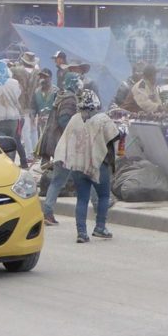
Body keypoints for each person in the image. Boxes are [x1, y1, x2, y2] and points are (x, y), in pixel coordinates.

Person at [54, 90, 120, 243]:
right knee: (103, 196)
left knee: (82, 199)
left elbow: (66, 141)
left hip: (78, 165)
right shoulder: (102, 119)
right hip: (99, 165)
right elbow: (115, 136)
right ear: (96, 105)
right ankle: (100, 227)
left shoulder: (74, 119)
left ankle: (81, 233)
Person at [38, 71, 82, 226]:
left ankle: (48, 212)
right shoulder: (70, 99)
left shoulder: (61, 95)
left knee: (61, 180)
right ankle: (48, 212)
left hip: (59, 144)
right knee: (62, 179)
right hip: (64, 146)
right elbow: (64, 120)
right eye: (78, 81)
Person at [0, 60, 28, 169]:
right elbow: (18, 97)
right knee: (10, 144)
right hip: (13, 119)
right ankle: (10, 166)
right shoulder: (14, 83)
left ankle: (0, 168)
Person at [11, 51, 40, 163]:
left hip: (22, 105)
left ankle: (29, 155)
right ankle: (35, 153)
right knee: (34, 130)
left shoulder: (16, 71)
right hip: (34, 104)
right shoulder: (38, 73)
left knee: (25, 131)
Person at [31, 68, 58, 143]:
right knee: (41, 145)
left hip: (53, 125)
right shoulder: (36, 92)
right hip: (40, 125)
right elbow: (33, 107)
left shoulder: (56, 92)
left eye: (45, 77)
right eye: (41, 77)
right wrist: (33, 117)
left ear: (51, 78)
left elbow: (59, 108)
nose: (43, 79)